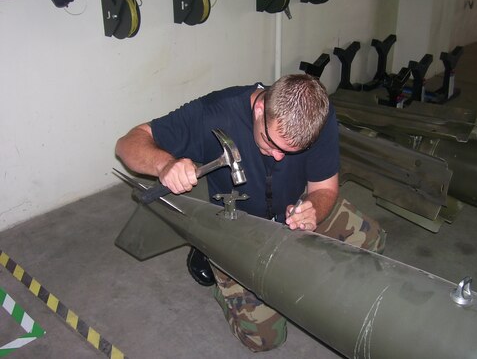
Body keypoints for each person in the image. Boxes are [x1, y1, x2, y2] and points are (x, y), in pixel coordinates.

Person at [115, 74, 385, 352]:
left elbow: (325, 188)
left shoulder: (319, 118)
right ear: (259, 109)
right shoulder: (213, 113)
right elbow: (127, 144)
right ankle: (216, 274)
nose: (278, 157)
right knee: (265, 338)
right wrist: (165, 165)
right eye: (272, 144)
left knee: (370, 239)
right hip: (234, 225)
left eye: (293, 152)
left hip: (292, 208)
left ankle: (303, 269)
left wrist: (313, 208)